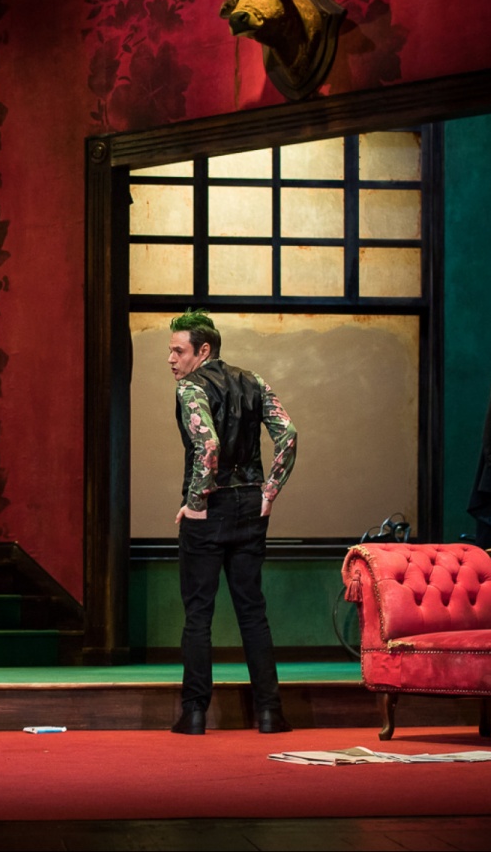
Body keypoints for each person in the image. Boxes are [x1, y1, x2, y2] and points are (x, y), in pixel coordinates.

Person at [166, 310, 297, 736]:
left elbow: (207, 443)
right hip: (250, 505)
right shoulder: (253, 380)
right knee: (252, 612)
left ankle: (194, 714)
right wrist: (269, 490)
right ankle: (269, 713)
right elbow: (288, 434)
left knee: (198, 615)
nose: (171, 359)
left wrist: (195, 502)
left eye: (178, 350)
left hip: (211, 507)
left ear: (203, 350)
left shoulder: (190, 387)